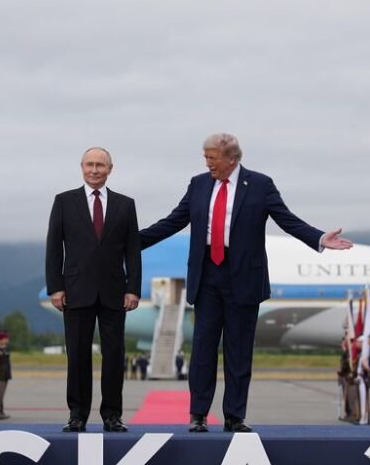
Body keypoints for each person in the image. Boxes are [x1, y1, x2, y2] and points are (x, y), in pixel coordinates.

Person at [140, 133, 353, 433]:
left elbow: (286, 219)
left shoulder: (260, 185)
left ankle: (234, 416)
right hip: (207, 275)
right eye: (205, 157)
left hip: (243, 278)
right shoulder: (198, 184)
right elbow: (173, 221)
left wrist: (318, 238)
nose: (207, 163)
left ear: (232, 159)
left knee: (238, 351)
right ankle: (198, 415)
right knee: (203, 349)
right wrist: (132, 242)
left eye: (212, 158)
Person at [46, 147, 141, 433]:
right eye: (90, 164)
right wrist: (56, 287)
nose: (94, 170)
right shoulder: (64, 202)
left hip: (114, 292)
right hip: (76, 290)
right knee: (77, 356)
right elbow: (54, 248)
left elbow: (133, 251)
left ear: (110, 169)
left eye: (100, 165)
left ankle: (112, 415)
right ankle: (77, 414)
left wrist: (133, 288)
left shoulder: (125, 205)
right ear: (82, 167)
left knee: (114, 355)